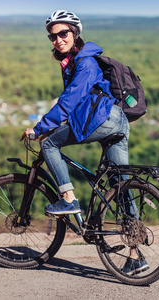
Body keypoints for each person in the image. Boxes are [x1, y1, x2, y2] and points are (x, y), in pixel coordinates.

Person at [23, 10, 147, 275]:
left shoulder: (85, 62)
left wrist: (39, 128)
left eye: (63, 33)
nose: (57, 39)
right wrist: (53, 124)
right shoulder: (76, 62)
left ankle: (68, 199)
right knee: (119, 183)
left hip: (105, 120)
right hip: (118, 122)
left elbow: (69, 102)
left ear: (75, 33)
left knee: (48, 145)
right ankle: (136, 255)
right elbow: (75, 102)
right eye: (52, 36)